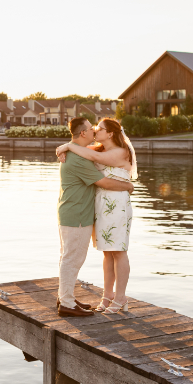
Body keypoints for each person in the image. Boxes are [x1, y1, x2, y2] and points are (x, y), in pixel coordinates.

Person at [56, 117, 137, 315]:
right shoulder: (96, 151)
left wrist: (67, 146)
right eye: (93, 128)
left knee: (118, 250)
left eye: (98, 128)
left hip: (116, 205)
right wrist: (65, 146)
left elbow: (93, 161)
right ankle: (106, 296)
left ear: (110, 133)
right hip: (100, 206)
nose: (95, 130)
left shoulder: (120, 152)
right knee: (107, 252)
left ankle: (120, 298)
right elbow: (81, 150)